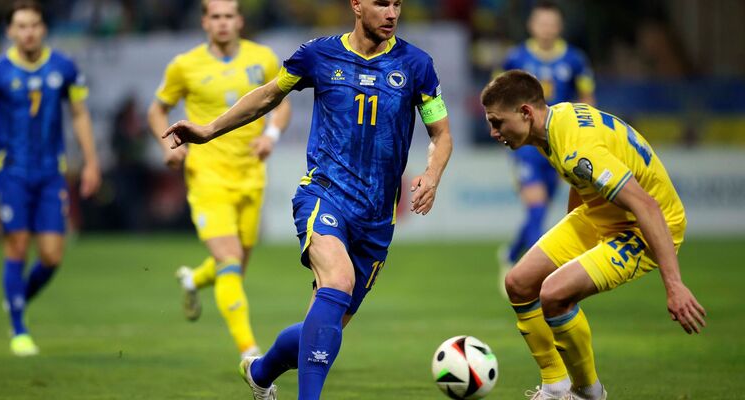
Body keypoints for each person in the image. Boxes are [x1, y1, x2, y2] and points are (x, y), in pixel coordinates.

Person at [163, 0, 453, 397]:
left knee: (324, 330)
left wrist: (433, 175)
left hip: (377, 216)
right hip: (324, 194)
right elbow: (268, 96)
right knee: (338, 281)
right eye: (382, 3)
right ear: (356, 5)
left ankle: (261, 373)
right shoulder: (318, 54)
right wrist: (210, 130)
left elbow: (440, 132)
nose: (392, 13)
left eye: (397, 4)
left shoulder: (417, 64)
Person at [481, 70, 706, 399]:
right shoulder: (556, 122)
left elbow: (647, 206)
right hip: (601, 211)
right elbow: (582, 181)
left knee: (554, 294)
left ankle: (589, 393)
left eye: (497, 122)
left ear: (526, 112)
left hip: (644, 227)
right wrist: (570, 242)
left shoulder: (578, 147)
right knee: (518, 282)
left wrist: (674, 286)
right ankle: (555, 388)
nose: (493, 132)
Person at [147, 0, 291, 360]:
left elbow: (282, 100)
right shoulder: (185, 65)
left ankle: (194, 279)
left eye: (229, 16)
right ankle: (250, 353)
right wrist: (168, 147)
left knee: (236, 265)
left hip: (251, 175)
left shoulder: (264, 58)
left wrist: (270, 135)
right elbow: (157, 109)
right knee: (229, 260)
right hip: (206, 174)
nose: (223, 23)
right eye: (216, 17)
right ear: (205, 22)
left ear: (239, 20)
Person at [0, 0, 101, 357]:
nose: (28, 32)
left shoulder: (64, 67)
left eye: (34, 25)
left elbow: (79, 116)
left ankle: (16, 300)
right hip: (11, 172)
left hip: (50, 174)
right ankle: (18, 329)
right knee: (16, 246)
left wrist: (90, 162)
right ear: (10, 32)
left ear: (43, 29)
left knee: (52, 256)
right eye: (21, 26)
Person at [497, 0, 595, 296]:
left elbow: (587, 99)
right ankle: (533, 277)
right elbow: (497, 95)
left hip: (558, 146)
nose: (546, 28)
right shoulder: (516, 57)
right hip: (526, 145)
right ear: (532, 26)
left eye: (551, 23)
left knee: (541, 212)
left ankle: (512, 255)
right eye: (541, 23)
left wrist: (585, 135)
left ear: (559, 27)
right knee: (537, 208)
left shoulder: (575, 60)